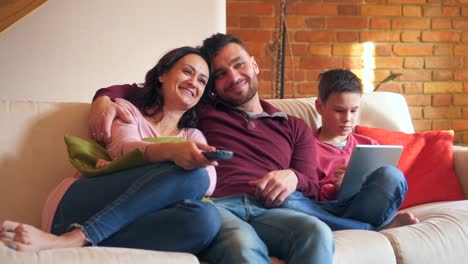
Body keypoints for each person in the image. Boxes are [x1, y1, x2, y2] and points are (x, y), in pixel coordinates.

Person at [87, 34, 334, 264]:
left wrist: (292, 176)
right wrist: (103, 98)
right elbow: (148, 88)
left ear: (254, 64)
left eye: (239, 65)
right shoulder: (203, 108)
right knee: (242, 244)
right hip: (217, 206)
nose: (234, 77)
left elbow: (311, 186)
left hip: (273, 210)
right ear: (213, 85)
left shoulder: (294, 126)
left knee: (317, 232)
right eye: (222, 73)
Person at [0, 46, 221, 254]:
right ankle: (73, 238)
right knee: (193, 175)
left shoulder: (193, 136)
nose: (194, 82)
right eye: (187, 72)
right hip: (77, 206)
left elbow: (208, 183)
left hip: (129, 220)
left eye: (202, 81)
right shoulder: (126, 111)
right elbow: (123, 150)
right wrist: (172, 153)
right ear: (163, 74)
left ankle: (79, 239)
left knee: (206, 219)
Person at [282, 69, 419, 230]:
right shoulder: (305, 145)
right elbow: (306, 192)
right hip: (325, 209)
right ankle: (373, 229)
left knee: (392, 174)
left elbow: (387, 189)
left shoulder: (369, 145)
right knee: (287, 200)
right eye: (339, 111)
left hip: (364, 206)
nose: (347, 119)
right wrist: (336, 189)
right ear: (320, 106)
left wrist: (356, 186)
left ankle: (354, 225)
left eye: (354, 111)